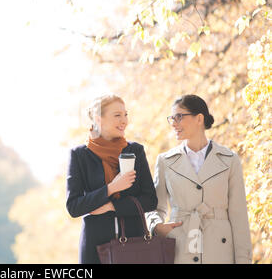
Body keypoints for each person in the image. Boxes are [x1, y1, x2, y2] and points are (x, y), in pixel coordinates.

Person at [146, 94, 252, 263]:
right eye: (171, 118)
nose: (174, 123)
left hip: (220, 250)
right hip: (180, 247)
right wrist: (157, 226)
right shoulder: (165, 161)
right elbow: (153, 208)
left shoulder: (229, 160)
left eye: (179, 117)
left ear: (199, 118)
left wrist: (243, 260)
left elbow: (239, 218)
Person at [66, 93, 158, 264]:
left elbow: (150, 200)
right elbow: (74, 206)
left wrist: (111, 206)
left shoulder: (135, 151)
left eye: (125, 115)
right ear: (98, 119)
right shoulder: (79, 155)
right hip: (94, 249)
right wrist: (111, 188)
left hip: (134, 246)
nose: (124, 121)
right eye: (117, 115)